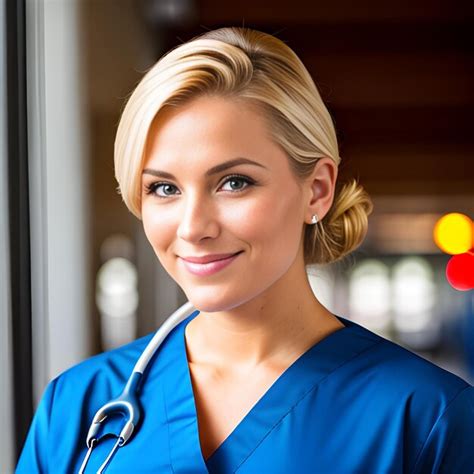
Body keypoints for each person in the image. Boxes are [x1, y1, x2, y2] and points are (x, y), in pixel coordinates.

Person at [17, 26, 474, 473]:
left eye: (234, 183)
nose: (193, 227)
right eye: (163, 188)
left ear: (316, 190)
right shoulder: (77, 406)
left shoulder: (427, 418)